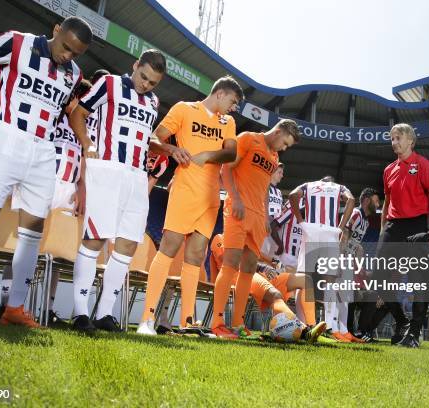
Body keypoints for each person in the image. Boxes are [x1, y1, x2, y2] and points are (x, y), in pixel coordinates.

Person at [0, 17, 92, 328]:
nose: (68, 56)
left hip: (43, 151)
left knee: (32, 233)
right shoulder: (17, 42)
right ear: (56, 31)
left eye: (75, 53)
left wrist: (87, 142)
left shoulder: (74, 74)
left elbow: (66, 110)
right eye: (66, 47)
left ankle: (14, 308)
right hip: (7, 137)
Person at [137, 76, 243, 336]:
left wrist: (208, 155)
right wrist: (172, 150)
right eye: (233, 101)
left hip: (209, 199)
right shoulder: (184, 109)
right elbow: (154, 138)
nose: (233, 107)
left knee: (196, 255)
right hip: (184, 190)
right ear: (220, 93)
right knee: (170, 247)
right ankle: (146, 319)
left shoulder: (227, 122)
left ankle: (187, 322)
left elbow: (230, 153)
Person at [69, 49, 166, 333]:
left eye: (152, 82)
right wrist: (88, 144)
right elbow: (78, 113)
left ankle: (104, 314)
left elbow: (144, 137)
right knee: (95, 238)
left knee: (127, 244)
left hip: (137, 176)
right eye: (143, 76)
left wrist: (166, 147)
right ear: (135, 66)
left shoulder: (153, 101)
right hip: (109, 169)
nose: (146, 84)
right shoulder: (109, 83)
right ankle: (80, 313)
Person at [210, 119, 300, 338]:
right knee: (231, 264)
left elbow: (266, 186)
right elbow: (226, 169)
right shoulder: (248, 139)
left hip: (258, 217)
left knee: (249, 269)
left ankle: (238, 324)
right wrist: (236, 199)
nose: (284, 149)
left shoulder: (274, 157)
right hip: (238, 210)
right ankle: (218, 322)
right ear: (278, 131)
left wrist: (266, 217)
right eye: (285, 143)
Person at [378, 123, 429, 348]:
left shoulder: (423, 164)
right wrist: (381, 230)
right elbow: (387, 202)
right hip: (393, 227)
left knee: (418, 283)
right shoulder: (388, 170)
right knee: (378, 280)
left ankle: (414, 334)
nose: (394, 142)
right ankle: (403, 321)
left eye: (398, 138)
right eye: (392, 139)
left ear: (410, 141)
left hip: (417, 226)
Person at [209, 234, 326, 342]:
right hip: (244, 277)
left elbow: (256, 254)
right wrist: (261, 267)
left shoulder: (245, 234)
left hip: (263, 275)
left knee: (306, 280)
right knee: (275, 296)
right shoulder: (220, 237)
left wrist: (273, 263)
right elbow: (232, 261)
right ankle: (305, 331)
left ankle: (313, 327)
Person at [289, 176, 354, 341]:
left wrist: (301, 220)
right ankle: (331, 327)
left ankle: (301, 324)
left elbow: (292, 195)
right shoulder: (338, 187)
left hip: (310, 230)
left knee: (303, 278)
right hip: (330, 232)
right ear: (331, 182)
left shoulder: (308, 184)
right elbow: (352, 200)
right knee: (330, 281)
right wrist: (340, 227)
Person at [340, 187, 380, 342]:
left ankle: (351, 331)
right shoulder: (356, 214)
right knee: (346, 297)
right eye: (376, 201)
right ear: (367, 200)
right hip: (342, 260)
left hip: (349, 262)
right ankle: (345, 331)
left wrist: (358, 265)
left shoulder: (366, 222)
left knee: (351, 297)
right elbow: (344, 233)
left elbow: (357, 245)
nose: (377, 205)